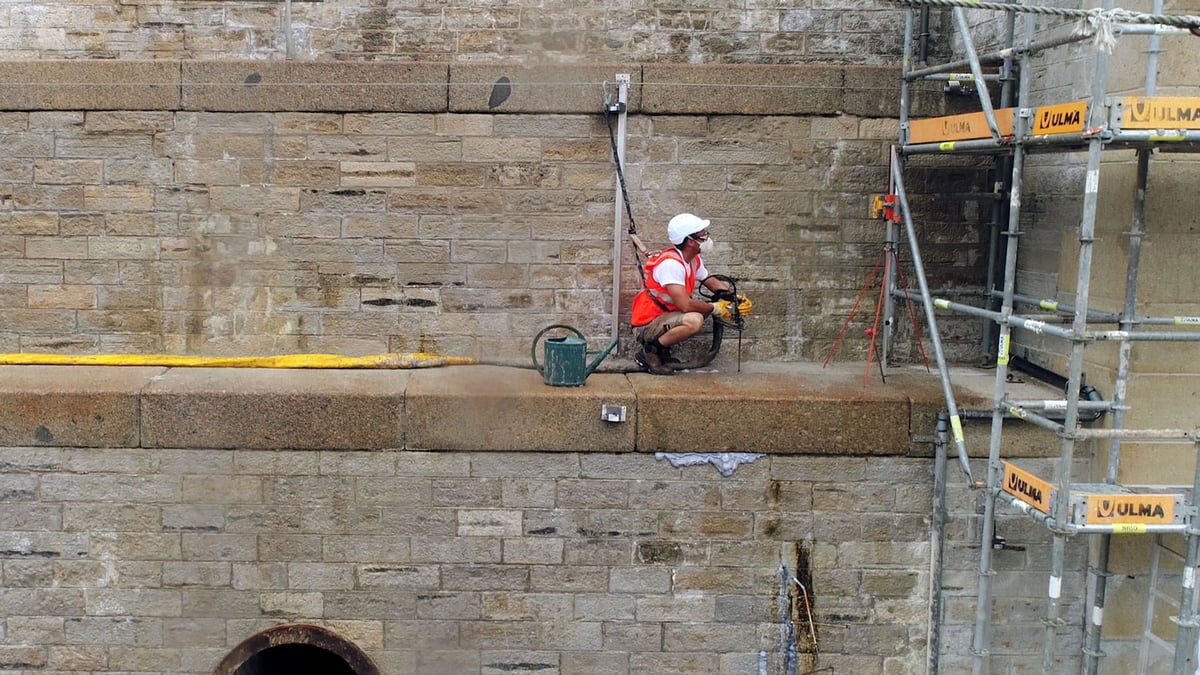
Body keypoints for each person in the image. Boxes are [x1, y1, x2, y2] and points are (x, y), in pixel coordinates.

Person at [630, 213, 752, 375]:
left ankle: (662, 351)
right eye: (703, 236)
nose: (707, 240)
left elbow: (709, 280)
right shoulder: (671, 265)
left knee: (701, 311)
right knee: (695, 319)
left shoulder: (692, 260)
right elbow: (685, 305)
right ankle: (650, 352)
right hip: (647, 324)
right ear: (690, 241)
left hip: (664, 318)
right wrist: (715, 308)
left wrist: (732, 297)